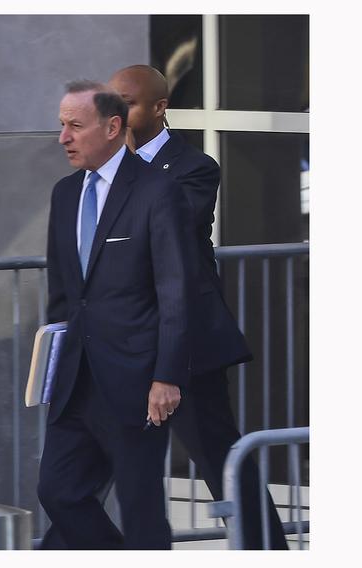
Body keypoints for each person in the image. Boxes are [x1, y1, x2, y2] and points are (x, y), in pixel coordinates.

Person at [108, 64, 287, 549]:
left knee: (219, 457)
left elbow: (166, 239)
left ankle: (265, 548)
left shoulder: (193, 167)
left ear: (159, 108)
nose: (116, 113)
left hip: (184, 345)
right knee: (81, 474)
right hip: (121, 343)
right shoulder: (102, 172)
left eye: (127, 102)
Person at [37, 80, 194, 549]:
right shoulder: (65, 194)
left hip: (136, 382)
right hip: (75, 382)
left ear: (112, 127)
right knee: (58, 493)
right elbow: (63, 294)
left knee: (141, 509)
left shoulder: (156, 191)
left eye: (75, 126)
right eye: (61, 125)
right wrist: (52, 368)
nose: (63, 137)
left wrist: (166, 376)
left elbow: (175, 291)